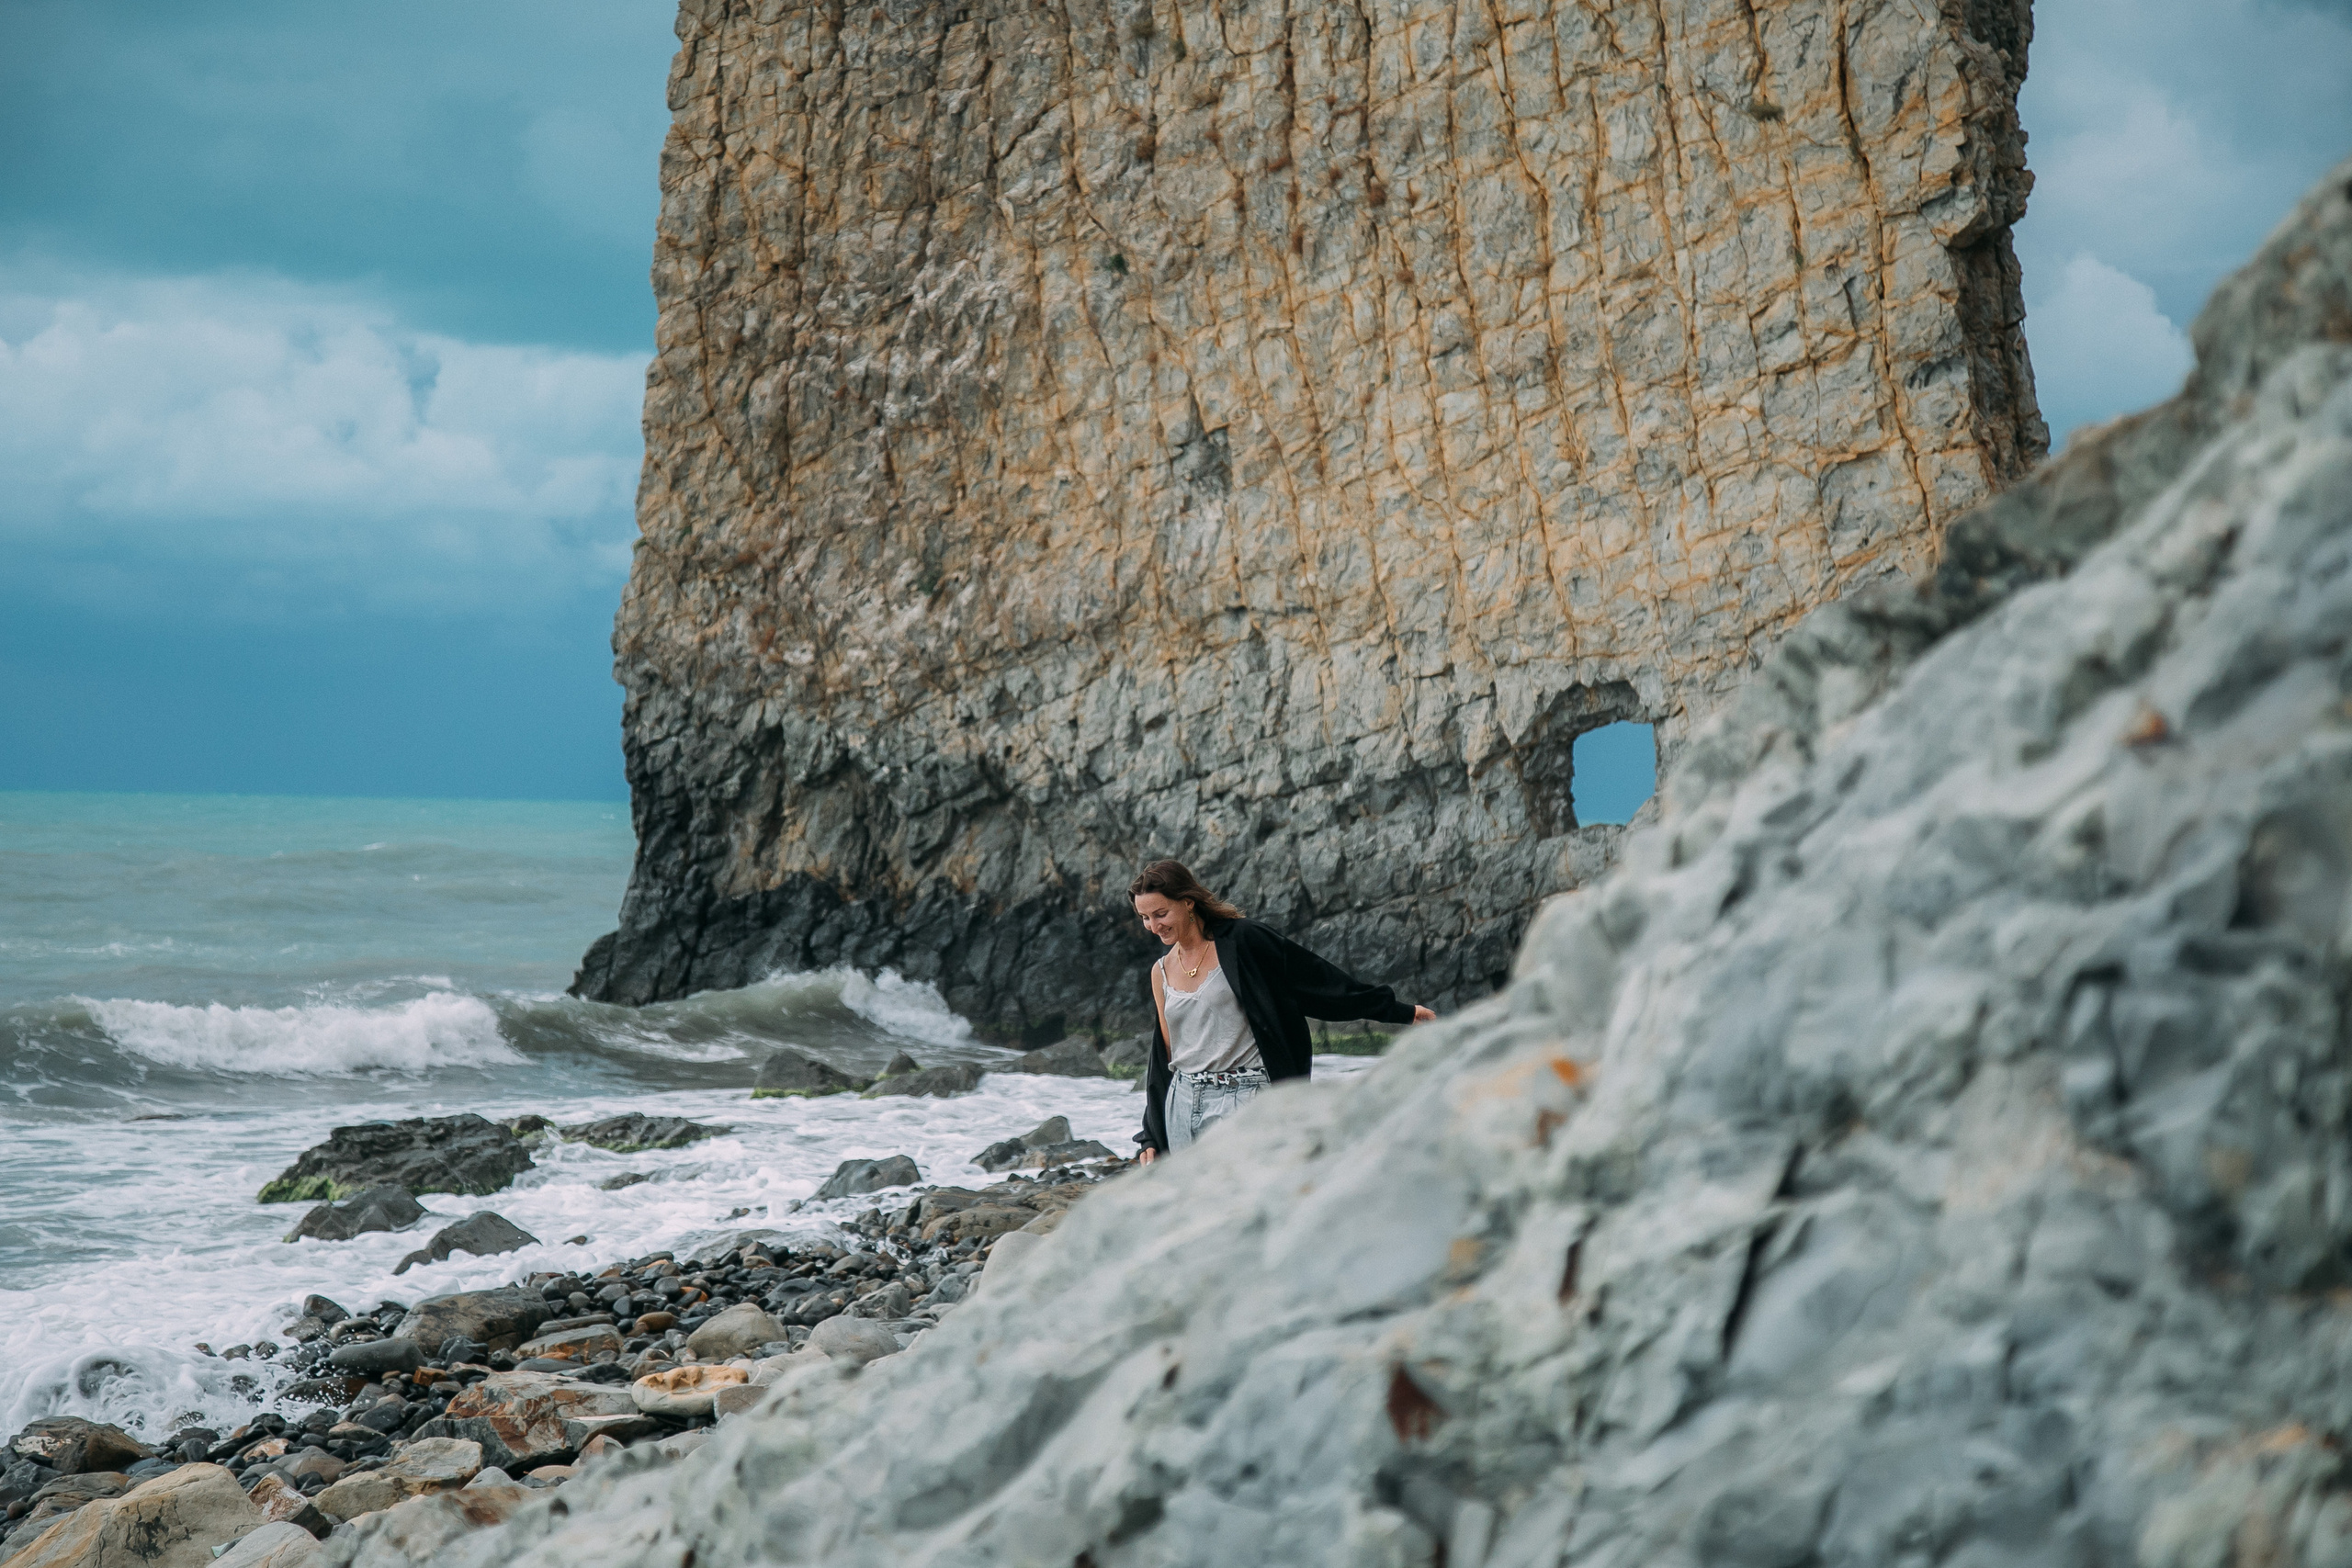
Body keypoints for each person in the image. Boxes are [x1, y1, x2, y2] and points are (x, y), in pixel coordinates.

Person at [1129, 859, 1435, 1163]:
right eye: (1145, 917)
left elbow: (1317, 982)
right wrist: (1150, 1135)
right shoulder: (1162, 971)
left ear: (1188, 903)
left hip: (1245, 1098)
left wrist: (1398, 1011)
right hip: (1181, 1103)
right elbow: (1165, 1057)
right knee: (1195, 1207)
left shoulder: (1243, 942)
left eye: (1161, 914)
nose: (1154, 927)